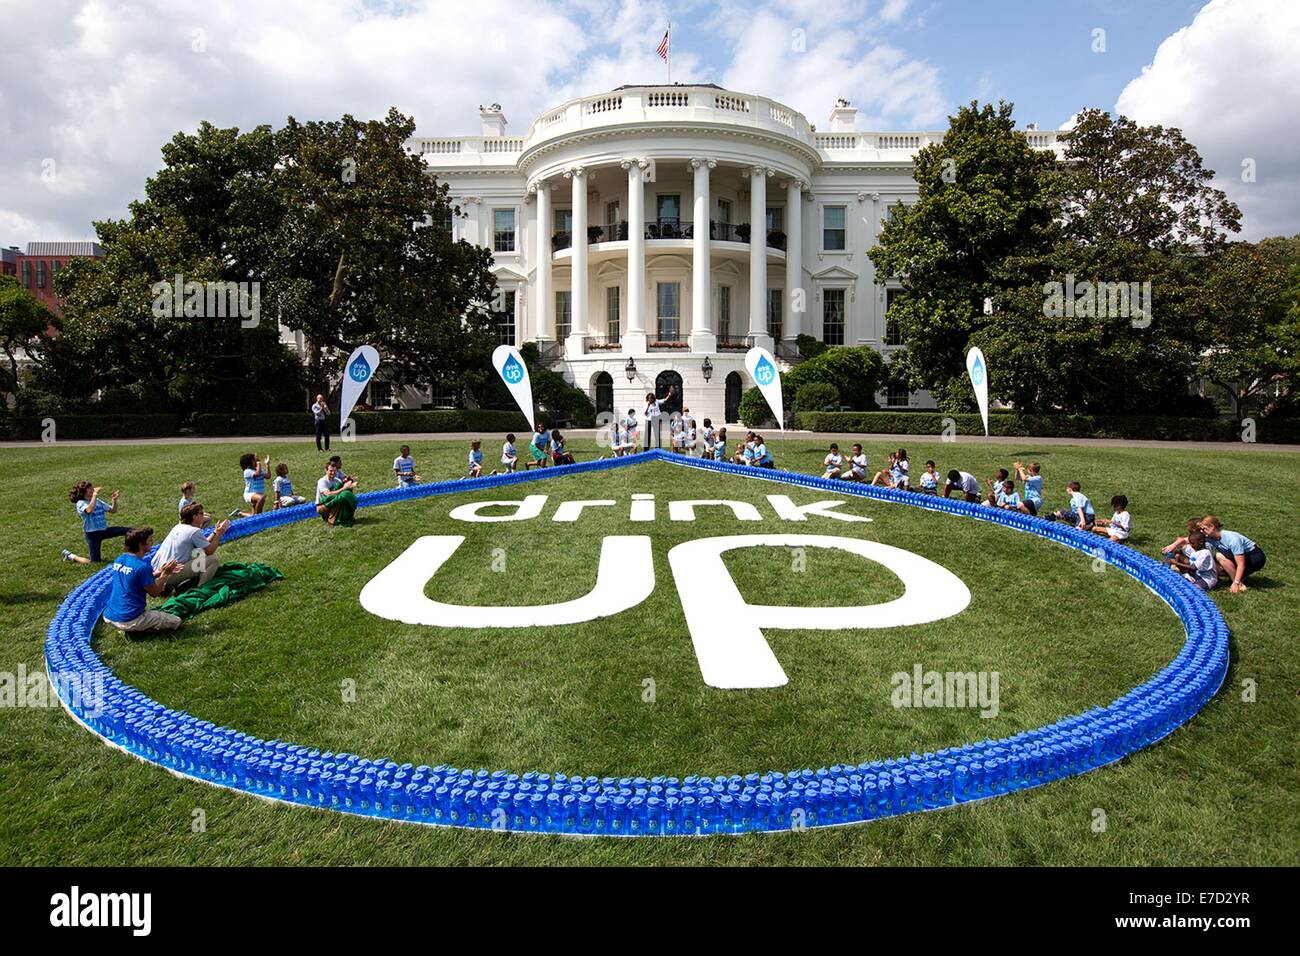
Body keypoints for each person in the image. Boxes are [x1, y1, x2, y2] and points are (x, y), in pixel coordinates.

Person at [101, 527, 185, 634]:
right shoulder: (142, 567)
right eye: (150, 540)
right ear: (141, 544)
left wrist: (160, 572)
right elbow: (155, 592)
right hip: (129, 618)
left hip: (110, 615)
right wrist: (165, 574)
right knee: (176, 622)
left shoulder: (120, 559)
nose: (152, 542)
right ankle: (139, 630)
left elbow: (136, 576)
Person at [153, 504, 231, 593]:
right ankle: (200, 590)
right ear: (194, 517)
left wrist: (215, 532)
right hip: (168, 574)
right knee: (213, 559)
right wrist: (220, 534)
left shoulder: (178, 527)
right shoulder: (194, 531)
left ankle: (172, 586)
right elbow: (210, 551)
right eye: (201, 513)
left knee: (198, 553)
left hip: (157, 574)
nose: (204, 515)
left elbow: (203, 544)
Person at [62, 480, 128, 564]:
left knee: (129, 531)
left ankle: (134, 551)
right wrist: (94, 495)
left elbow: (112, 510)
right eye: (89, 488)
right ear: (83, 491)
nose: (92, 489)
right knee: (95, 562)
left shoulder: (97, 501)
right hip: (92, 535)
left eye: (92, 487)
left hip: (103, 530)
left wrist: (114, 500)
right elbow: (89, 510)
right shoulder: (81, 503)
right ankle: (70, 556)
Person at [1199, 515, 1265, 593]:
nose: (1201, 531)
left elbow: (1241, 563)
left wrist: (1236, 582)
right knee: (1213, 565)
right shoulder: (1210, 538)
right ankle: (1237, 580)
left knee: (1219, 556)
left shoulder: (1231, 538)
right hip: (1242, 557)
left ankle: (1238, 584)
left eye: (1203, 529)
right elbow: (1191, 540)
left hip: (1254, 558)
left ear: (1212, 527)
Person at [1164, 527, 1218, 592]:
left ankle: (1198, 584)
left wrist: (1175, 563)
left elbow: (1193, 567)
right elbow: (1190, 561)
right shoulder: (1195, 551)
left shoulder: (1205, 553)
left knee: (1193, 590)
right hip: (1197, 574)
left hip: (1207, 578)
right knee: (1181, 584)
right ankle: (1190, 579)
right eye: (1190, 543)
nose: (1191, 545)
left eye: (1192, 543)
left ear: (1200, 542)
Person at [316, 460, 359, 526]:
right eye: (330, 471)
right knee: (343, 495)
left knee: (345, 495)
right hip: (323, 505)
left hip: (333, 502)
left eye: (334, 471)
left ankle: (344, 517)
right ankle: (333, 519)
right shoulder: (322, 481)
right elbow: (328, 494)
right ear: (326, 470)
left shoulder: (337, 480)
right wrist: (344, 488)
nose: (333, 473)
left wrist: (350, 485)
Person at [233, 452, 271, 517]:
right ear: (249, 462)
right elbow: (257, 474)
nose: (255, 461)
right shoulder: (247, 471)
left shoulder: (258, 469)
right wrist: (258, 462)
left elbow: (268, 476)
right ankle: (258, 518)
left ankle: (239, 513)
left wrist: (267, 465)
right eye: (254, 460)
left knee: (253, 515)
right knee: (261, 499)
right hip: (250, 494)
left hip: (258, 493)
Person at [643, 384, 674, 450]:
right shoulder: (646, 403)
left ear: (653, 398)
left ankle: (657, 449)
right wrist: (648, 406)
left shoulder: (656, 402)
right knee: (647, 435)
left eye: (651, 398)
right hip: (648, 420)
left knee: (657, 434)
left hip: (656, 419)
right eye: (649, 398)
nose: (650, 399)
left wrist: (669, 394)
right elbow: (645, 413)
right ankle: (646, 449)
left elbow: (664, 400)